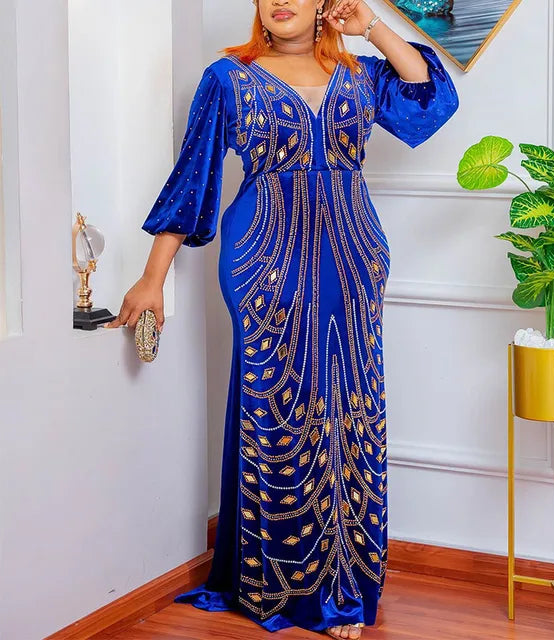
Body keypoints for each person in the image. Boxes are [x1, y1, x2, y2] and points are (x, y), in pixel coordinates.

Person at [106, 0, 458, 637]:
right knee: (277, 407)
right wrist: (152, 277)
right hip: (264, 257)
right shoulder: (228, 78)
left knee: (350, 407)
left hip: (353, 255)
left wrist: (371, 27)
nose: (280, 0)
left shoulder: (359, 72)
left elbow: (430, 100)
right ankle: (276, 581)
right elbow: (192, 178)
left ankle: (343, 585)